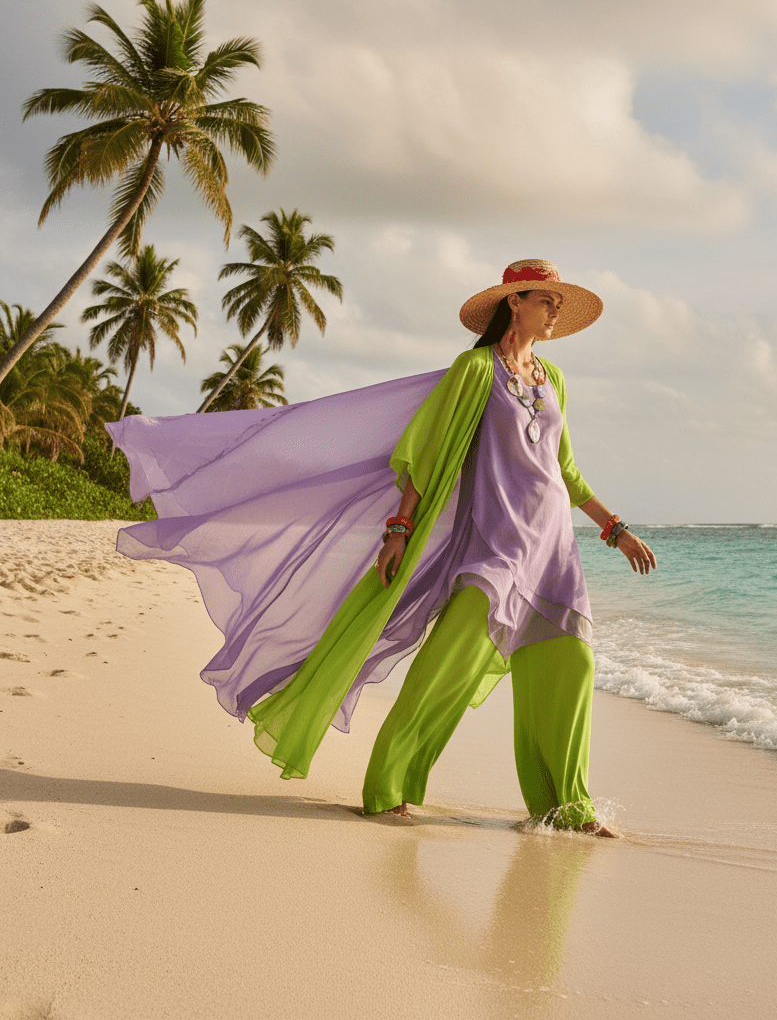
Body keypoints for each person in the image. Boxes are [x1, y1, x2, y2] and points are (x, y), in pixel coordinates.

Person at [107, 259, 655, 836]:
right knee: (445, 673)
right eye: (548, 299)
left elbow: (564, 470)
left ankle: (568, 810)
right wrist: (398, 528)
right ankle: (388, 788)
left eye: (559, 303)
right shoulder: (474, 371)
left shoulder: (554, 380)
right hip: (496, 549)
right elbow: (425, 450)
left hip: (555, 554)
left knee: (573, 665)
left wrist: (614, 529)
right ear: (514, 301)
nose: (556, 311)